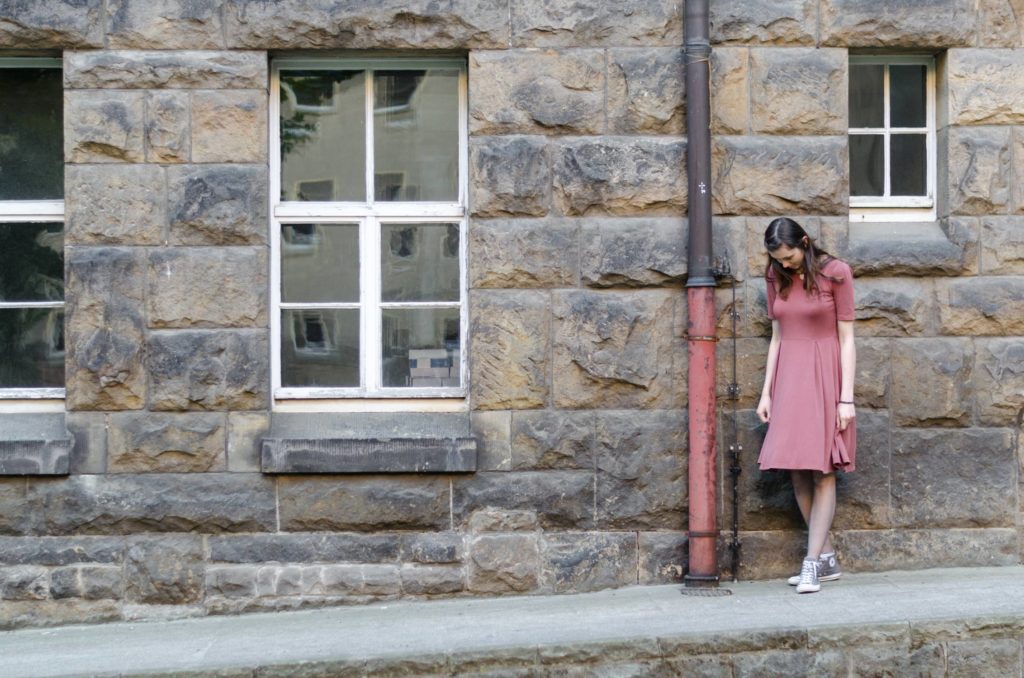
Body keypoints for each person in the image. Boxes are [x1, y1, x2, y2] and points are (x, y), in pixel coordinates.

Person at [755, 217, 856, 594]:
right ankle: (825, 557)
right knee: (796, 468)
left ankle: (811, 563)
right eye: (778, 259)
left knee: (823, 467)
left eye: (790, 256)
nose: (785, 264)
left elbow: (846, 339)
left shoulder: (836, 272)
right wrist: (766, 393)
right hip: (788, 377)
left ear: (805, 242)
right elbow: (777, 338)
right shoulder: (775, 275)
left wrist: (846, 398)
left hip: (825, 376)